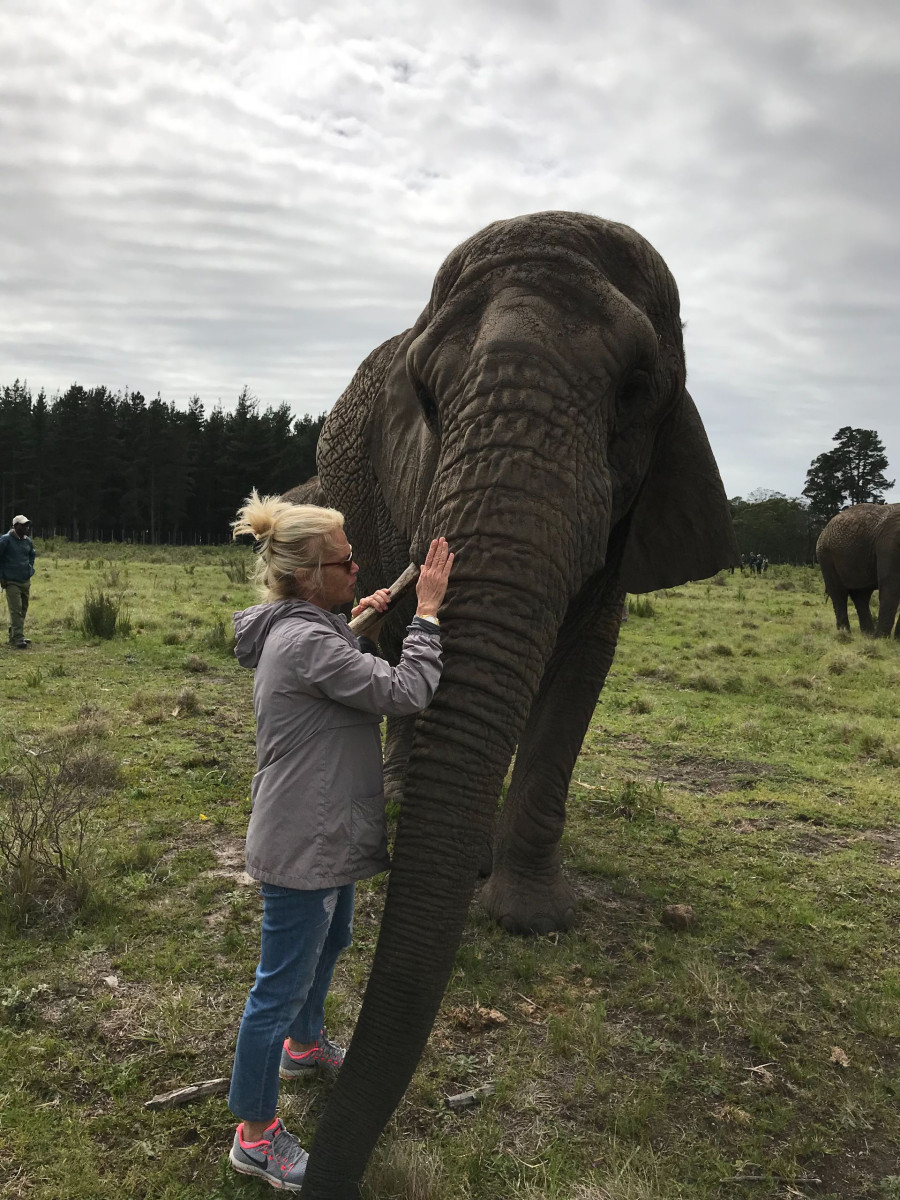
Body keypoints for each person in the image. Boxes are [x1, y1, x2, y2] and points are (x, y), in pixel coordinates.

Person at [226, 489, 453, 1192]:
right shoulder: (305, 639)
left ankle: (304, 1044)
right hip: (305, 842)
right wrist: (427, 615)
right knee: (276, 987)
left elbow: (328, 653)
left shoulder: (303, 627)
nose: (357, 568)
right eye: (345, 562)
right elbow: (404, 691)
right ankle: (254, 1136)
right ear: (305, 576)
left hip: (320, 831)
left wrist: (367, 615)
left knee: (332, 943)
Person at [0, 515, 36, 649]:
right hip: (11, 581)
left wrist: (30, 569)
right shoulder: (5, 540)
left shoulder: (28, 541)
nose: (26, 527)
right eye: (23, 525)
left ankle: (14, 634)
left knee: (23, 608)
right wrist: (1, 577)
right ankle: (19, 638)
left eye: (27, 525)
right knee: (15, 609)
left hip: (25, 580)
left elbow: (32, 555)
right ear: (15, 526)